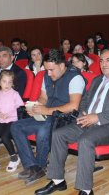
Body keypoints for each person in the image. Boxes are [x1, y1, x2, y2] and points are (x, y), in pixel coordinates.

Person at [35, 49, 109, 195]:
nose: (103, 63)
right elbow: (84, 100)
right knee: (58, 134)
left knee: (85, 140)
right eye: (101, 60)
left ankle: (85, 190)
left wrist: (97, 117)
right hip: (88, 121)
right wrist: (82, 112)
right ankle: (58, 180)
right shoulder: (96, 80)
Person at [11, 49, 85, 185]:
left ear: (62, 66)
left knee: (44, 129)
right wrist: (36, 107)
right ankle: (32, 166)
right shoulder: (47, 75)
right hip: (48, 114)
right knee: (16, 126)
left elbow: (73, 106)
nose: (48, 73)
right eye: (47, 69)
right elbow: (44, 97)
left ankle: (40, 165)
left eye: (51, 70)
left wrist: (47, 110)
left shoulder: (75, 78)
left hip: (65, 118)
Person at [0, 70, 24, 172]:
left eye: (9, 82)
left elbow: (20, 106)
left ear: (13, 83)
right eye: (4, 81)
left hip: (12, 120)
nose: (7, 84)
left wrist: (9, 114)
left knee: (5, 137)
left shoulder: (15, 94)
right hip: (1, 120)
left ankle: (14, 158)